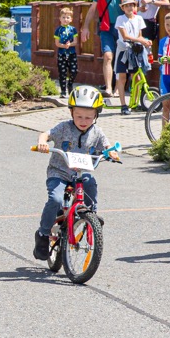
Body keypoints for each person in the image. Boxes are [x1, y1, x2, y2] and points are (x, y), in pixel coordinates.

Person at [32, 85, 116, 261]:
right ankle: (43, 234)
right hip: (59, 172)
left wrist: (111, 152)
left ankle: (91, 215)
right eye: (79, 116)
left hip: (81, 174)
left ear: (96, 115)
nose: (83, 121)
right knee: (55, 199)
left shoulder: (97, 132)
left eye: (88, 117)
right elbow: (45, 134)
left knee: (90, 184)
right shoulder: (64, 128)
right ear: (71, 113)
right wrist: (42, 142)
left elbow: (107, 146)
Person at [82, 0, 133, 97]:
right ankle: (109, 88)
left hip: (123, 27)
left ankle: (118, 88)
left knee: (121, 58)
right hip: (106, 26)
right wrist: (85, 27)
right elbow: (92, 8)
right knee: (108, 56)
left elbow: (134, 7)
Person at [113, 0, 152, 115]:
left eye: (131, 5)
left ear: (135, 6)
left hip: (135, 51)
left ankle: (134, 103)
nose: (129, 8)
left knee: (137, 77)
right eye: (127, 6)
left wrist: (145, 41)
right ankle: (123, 105)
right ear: (123, 8)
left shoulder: (139, 18)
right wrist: (140, 40)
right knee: (122, 77)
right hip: (124, 50)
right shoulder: (120, 19)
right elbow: (125, 36)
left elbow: (139, 35)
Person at [53, 7, 79, 97]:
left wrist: (70, 44)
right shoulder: (58, 30)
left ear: (71, 19)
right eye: (63, 17)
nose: (65, 19)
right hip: (62, 54)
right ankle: (63, 91)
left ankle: (70, 84)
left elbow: (75, 42)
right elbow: (57, 43)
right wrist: (64, 46)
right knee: (62, 72)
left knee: (74, 71)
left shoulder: (73, 29)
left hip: (72, 53)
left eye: (67, 17)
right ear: (60, 18)